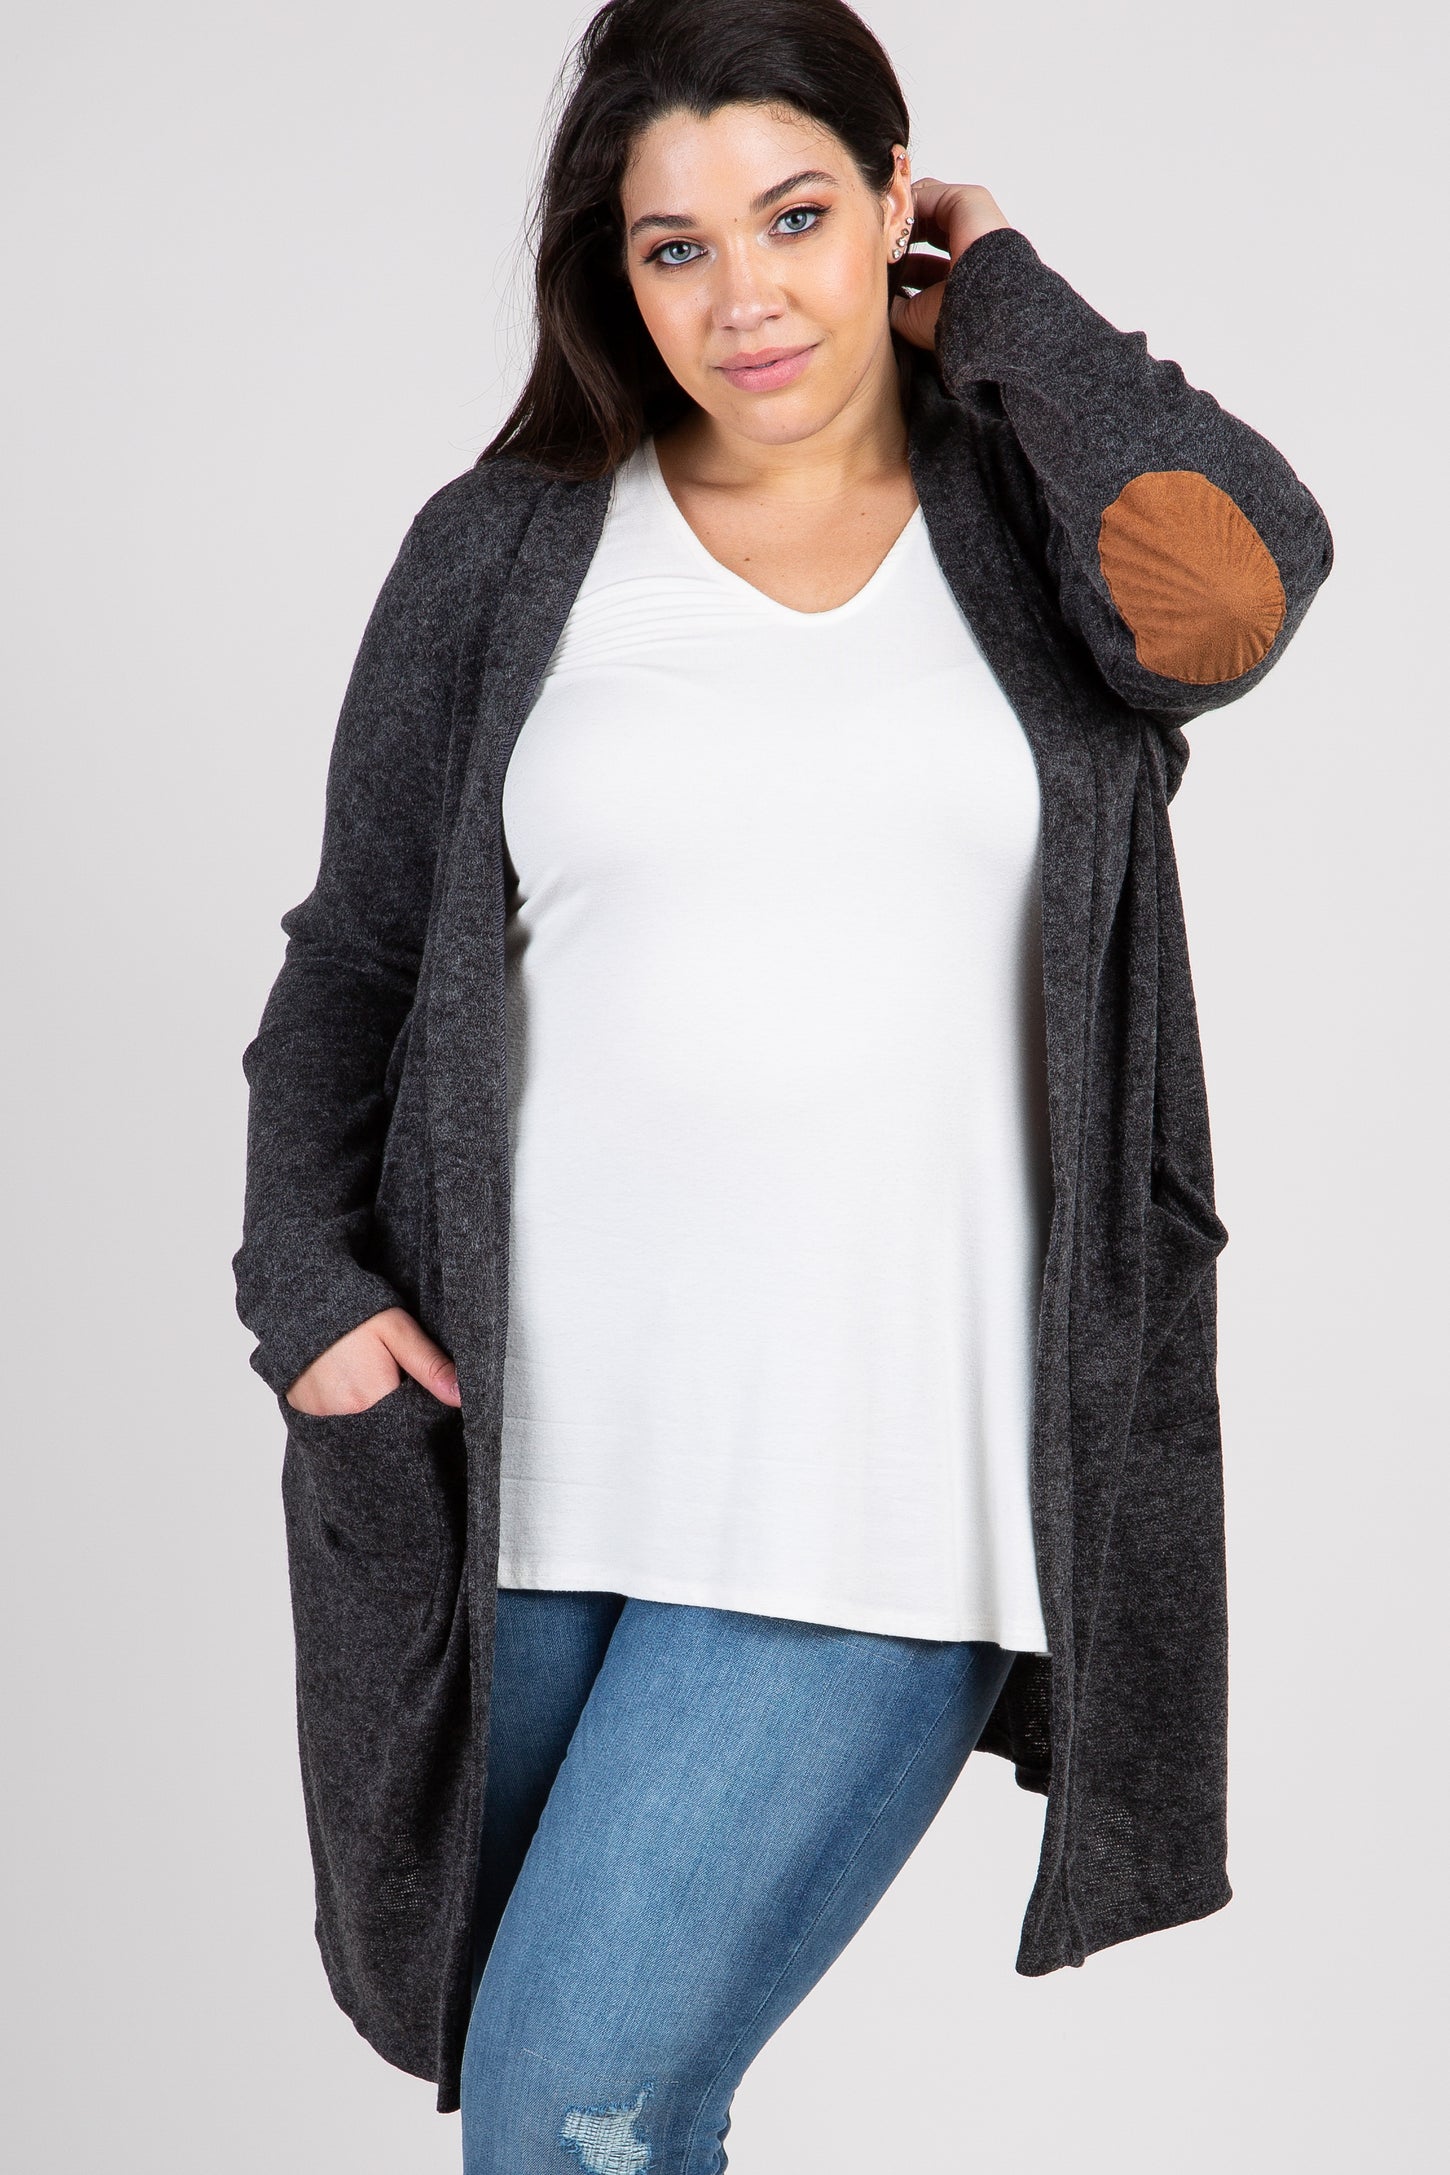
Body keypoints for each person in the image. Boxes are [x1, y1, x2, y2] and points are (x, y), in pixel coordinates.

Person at [233, 1, 1333, 2166]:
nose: (742, 294)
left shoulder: (1031, 531)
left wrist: (1003, 301)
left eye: (797, 216)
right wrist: (310, 1299)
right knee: (595, 2118)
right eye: (675, 247)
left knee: (566, 2115)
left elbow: (1228, 594)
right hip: (513, 1473)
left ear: (894, 199)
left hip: (881, 1474)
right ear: (615, 277)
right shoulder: (506, 548)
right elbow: (354, 958)